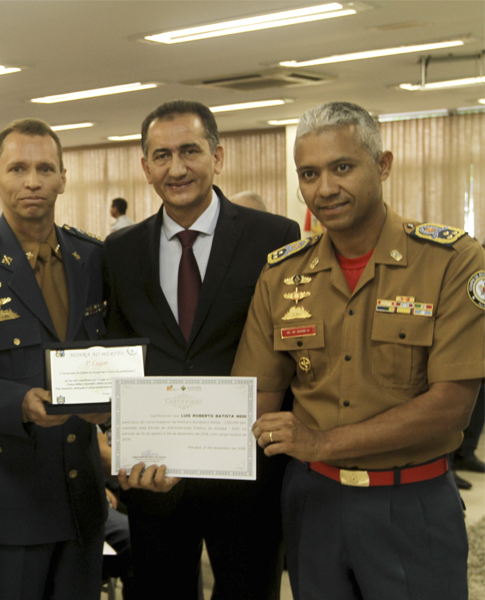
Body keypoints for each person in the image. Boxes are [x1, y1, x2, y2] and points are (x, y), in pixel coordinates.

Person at [233, 101, 485, 599]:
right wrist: (171, 453)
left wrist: (322, 443)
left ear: (383, 164)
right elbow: (253, 398)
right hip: (314, 500)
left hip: (411, 499)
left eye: (342, 167)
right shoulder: (282, 274)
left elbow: (451, 405)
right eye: (309, 173)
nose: (324, 189)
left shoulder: (453, 261)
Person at [103, 100, 301, 600]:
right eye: (162, 155)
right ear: (145, 167)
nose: (177, 168)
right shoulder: (120, 251)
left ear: (218, 156)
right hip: (155, 479)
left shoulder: (275, 237)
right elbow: (120, 355)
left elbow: (292, 349)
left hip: (248, 475)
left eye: (190, 151)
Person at [0, 118, 108, 600]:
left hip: (83, 505)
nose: (32, 181)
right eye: (18, 169)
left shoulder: (92, 258)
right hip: (10, 505)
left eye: (45, 168)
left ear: (63, 177)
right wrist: (18, 403)